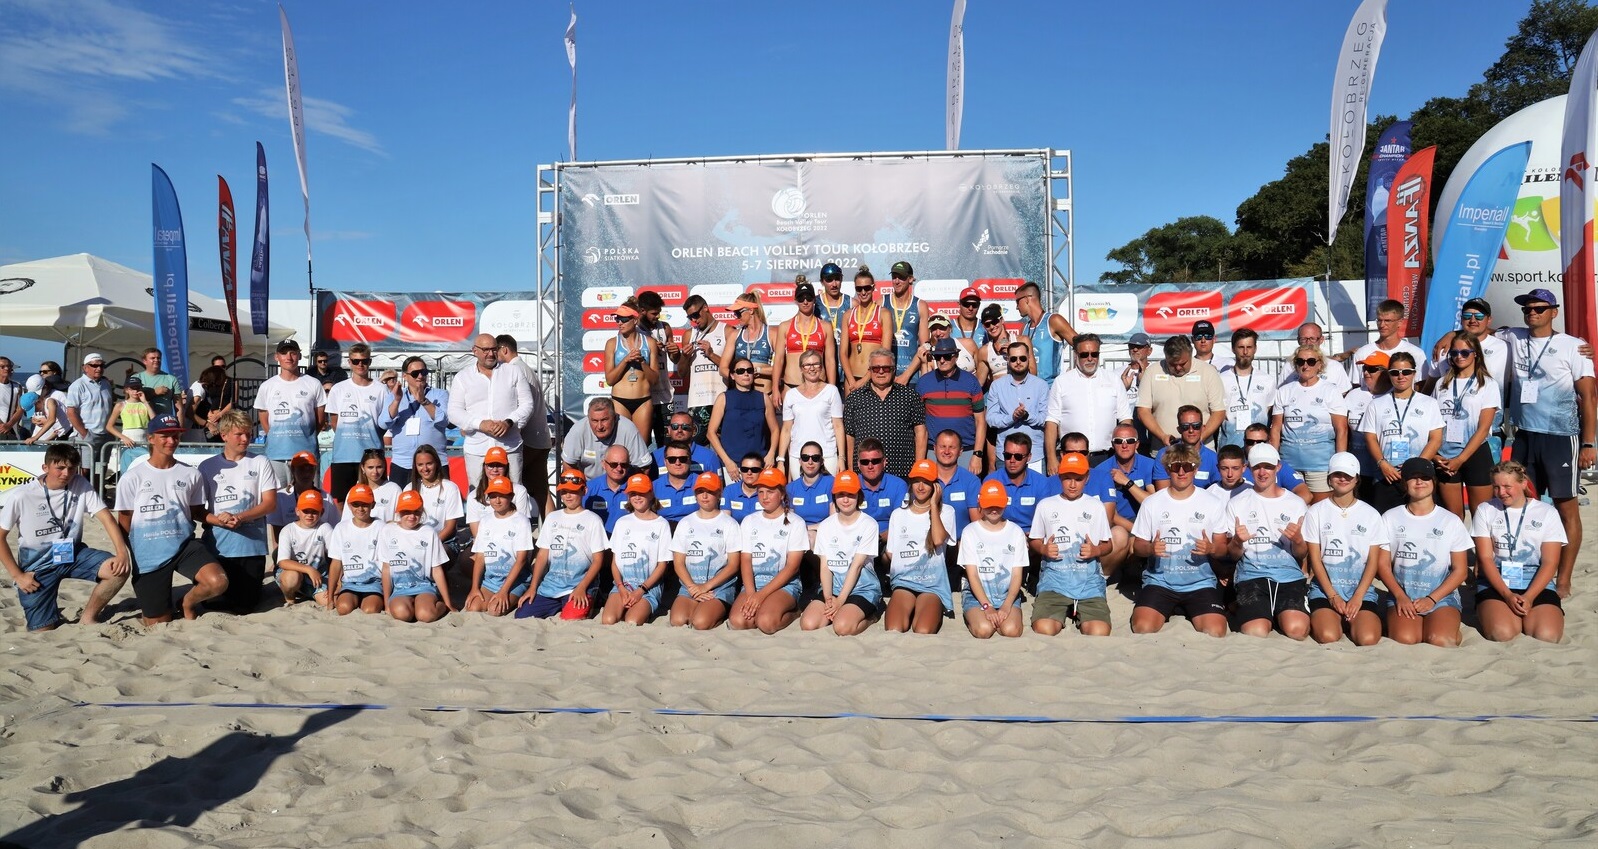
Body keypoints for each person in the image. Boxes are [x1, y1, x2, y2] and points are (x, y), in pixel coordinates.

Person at [1502, 288, 1595, 597]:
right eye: (1528, 308)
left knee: (1565, 506)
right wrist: (1450, 337)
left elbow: (1589, 397)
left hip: (1560, 437)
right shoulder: (1514, 337)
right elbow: (1480, 332)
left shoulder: (1574, 346)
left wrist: (1589, 443)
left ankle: (1564, 578)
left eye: (1540, 308)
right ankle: (1530, 568)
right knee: (1523, 503)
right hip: (1525, 436)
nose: (1533, 313)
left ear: (1554, 311)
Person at [0, 442, 130, 630]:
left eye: (71, 469)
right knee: (43, 629)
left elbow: (107, 518)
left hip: (73, 554)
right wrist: (18, 576)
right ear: (45, 468)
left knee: (119, 569)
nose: (66, 474)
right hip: (38, 567)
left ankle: (88, 618)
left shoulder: (80, 483)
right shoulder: (22, 495)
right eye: (59, 468)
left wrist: (122, 552)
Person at [116, 414, 227, 624]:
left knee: (217, 582)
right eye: (164, 436)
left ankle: (185, 602)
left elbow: (196, 512)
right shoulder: (133, 477)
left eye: (175, 436)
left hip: (183, 545)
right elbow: (124, 519)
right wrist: (129, 552)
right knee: (158, 622)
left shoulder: (190, 474)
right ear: (150, 439)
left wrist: (218, 519)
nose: (171, 441)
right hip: (148, 552)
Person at [1129, 444, 1231, 637]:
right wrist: (1151, 548)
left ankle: (1186, 609)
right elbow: (1138, 546)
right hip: (1160, 582)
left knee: (1216, 631)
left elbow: (1222, 548)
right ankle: (1171, 608)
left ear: (1196, 468)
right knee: (1142, 628)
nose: (1182, 472)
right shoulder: (1152, 502)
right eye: (1176, 467)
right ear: (1168, 470)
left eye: (1188, 466)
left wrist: (1211, 548)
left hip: (1200, 583)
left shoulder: (1212, 502)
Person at [1377, 458, 1471, 647]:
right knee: (1406, 639)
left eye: (1425, 477)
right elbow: (1383, 565)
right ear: (1404, 483)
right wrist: (1400, 596)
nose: (1419, 482)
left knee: (1440, 640)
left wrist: (1431, 599)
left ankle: (1446, 625)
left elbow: (1461, 570)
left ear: (1434, 482)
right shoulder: (1390, 517)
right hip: (1402, 595)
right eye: (1413, 478)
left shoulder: (1450, 520)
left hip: (1441, 596)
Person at [1471, 460, 1566, 643]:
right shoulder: (1486, 510)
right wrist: (1507, 595)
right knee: (1503, 633)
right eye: (1496, 487)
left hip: (1535, 581)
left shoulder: (1547, 512)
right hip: (1497, 581)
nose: (1501, 492)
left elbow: (1550, 562)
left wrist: (1529, 597)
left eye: (1507, 486)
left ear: (1523, 483)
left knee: (1546, 636)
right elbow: (1485, 558)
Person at [1225, 444, 1310, 639]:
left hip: (1288, 576)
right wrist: (1237, 541)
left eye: (1268, 466)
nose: (1263, 472)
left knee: (1296, 631)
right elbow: (1234, 554)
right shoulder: (1237, 503)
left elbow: (1301, 554)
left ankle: (1272, 611)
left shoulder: (1295, 503)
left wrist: (1297, 540)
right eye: (1257, 467)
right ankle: (1249, 608)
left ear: (1278, 467)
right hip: (1252, 576)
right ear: (1248, 468)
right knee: (1256, 632)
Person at [198, 410, 279, 614]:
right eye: (239, 434)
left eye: (248, 434)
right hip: (219, 546)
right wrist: (218, 520)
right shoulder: (207, 467)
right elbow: (197, 510)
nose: (245, 439)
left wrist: (241, 517)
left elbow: (270, 504)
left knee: (246, 606)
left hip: (251, 547)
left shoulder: (260, 462)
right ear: (224, 435)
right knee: (212, 603)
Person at [1304, 453, 1386, 646]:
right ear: (1329, 478)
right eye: (1337, 474)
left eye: (1348, 475)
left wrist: (1357, 597)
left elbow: (1373, 561)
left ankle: (1356, 618)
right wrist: (1333, 596)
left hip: (1360, 590)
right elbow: (1315, 560)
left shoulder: (1371, 514)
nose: (1342, 479)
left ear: (1357, 478)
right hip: (1325, 590)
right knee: (1328, 636)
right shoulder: (1316, 511)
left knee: (1367, 639)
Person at [1029, 452, 1114, 637]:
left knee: (1099, 632)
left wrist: (1096, 550)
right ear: (1060, 477)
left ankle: (1080, 611)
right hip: (1054, 583)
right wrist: (1043, 548)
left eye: (1078, 478)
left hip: (1089, 584)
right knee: (1044, 629)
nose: (1072, 484)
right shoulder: (1046, 505)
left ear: (1087, 478)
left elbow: (1108, 545)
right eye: (1067, 478)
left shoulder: (1095, 506)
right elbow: (1034, 539)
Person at [803, 465, 884, 636]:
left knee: (842, 627)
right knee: (808, 624)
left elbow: (857, 565)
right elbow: (824, 566)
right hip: (833, 587)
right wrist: (828, 598)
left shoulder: (869, 524)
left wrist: (840, 600)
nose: (845, 499)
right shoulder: (826, 525)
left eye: (850, 494)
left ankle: (873, 615)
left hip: (862, 587)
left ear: (858, 496)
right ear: (834, 497)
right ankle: (837, 607)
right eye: (841, 495)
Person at [518, 468, 607, 620]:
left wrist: (582, 587)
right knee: (522, 615)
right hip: (551, 586)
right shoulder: (553, 518)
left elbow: (598, 560)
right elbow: (542, 555)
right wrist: (533, 587)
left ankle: (594, 595)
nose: (568, 495)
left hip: (579, 585)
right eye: (564, 491)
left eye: (573, 491)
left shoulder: (593, 520)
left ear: (584, 490)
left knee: (571, 617)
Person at [1360, 352, 1443, 512]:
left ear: (1414, 373)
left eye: (1406, 372)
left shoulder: (1429, 403)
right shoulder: (1376, 404)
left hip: (1418, 477)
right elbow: (1370, 438)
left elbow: (1435, 439)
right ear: (1389, 374)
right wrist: (1382, 463)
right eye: (1394, 372)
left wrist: (1415, 467)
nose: (1400, 376)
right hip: (1386, 475)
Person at [729, 468, 809, 634]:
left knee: (766, 623)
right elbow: (746, 560)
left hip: (784, 584)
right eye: (761, 492)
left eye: (770, 492)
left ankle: (794, 612)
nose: (764, 497)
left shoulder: (796, 522)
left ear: (781, 494)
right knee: (739, 621)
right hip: (755, 583)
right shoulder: (749, 521)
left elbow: (792, 567)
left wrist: (761, 595)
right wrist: (751, 594)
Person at [1430, 332, 1500, 519]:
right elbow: (1432, 423)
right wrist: (1435, 455)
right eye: (1454, 353)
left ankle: (1482, 550)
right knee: (1452, 517)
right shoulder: (1441, 384)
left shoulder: (1487, 384)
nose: (1459, 356)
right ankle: (1460, 550)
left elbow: (1484, 428)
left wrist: (1461, 459)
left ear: (1475, 353)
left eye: (1464, 352)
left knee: (1482, 517)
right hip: (1445, 456)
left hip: (1475, 453)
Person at [449, 333, 535, 485]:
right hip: (477, 449)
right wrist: (479, 424)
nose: (491, 354)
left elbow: (527, 404)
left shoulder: (513, 371)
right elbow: (454, 412)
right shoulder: (462, 377)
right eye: (486, 350)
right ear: (475, 351)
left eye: (494, 349)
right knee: (478, 495)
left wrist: (509, 422)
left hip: (509, 447)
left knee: (514, 492)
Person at [883, 459, 955, 634]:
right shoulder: (898, 514)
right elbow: (891, 553)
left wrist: (933, 506)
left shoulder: (946, 511)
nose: (921, 487)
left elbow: (938, 540)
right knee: (894, 629)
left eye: (927, 482)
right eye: (916, 481)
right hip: (904, 582)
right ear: (910, 483)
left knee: (923, 630)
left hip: (932, 585)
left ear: (935, 486)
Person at [1270, 343, 1348, 501]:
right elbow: (1276, 429)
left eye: (1311, 361)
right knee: (1292, 510)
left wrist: (1339, 463)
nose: (1306, 366)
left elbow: (1342, 430)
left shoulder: (1330, 391)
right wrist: (1273, 461)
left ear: (1320, 364)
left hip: (1321, 465)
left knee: (1320, 511)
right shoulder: (1284, 391)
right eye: (1300, 361)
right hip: (1289, 463)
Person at [1044, 333, 1129, 472]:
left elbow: (1125, 419)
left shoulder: (1114, 380)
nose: (1090, 358)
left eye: (1094, 354)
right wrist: (1052, 458)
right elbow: (1052, 422)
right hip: (1071, 457)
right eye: (1084, 355)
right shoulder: (1061, 382)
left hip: (1108, 458)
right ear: (1075, 355)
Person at [668, 472, 743, 630]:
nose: (705, 496)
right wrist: (693, 587)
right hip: (691, 586)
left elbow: (733, 565)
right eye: (700, 491)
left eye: (710, 491)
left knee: (700, 623)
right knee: (678, 620)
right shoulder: (685, 522)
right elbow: (679, 563)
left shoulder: (729, 524)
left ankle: (721, 609)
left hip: (719, 587)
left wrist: (706, 587)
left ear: (719, 493)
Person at [1089, 423, 1158, 580]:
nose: (1125, 445)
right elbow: (1110, 515)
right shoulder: (1101, 470)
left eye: (1130, 440)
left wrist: (1127, 482)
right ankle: (1102, 578)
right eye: (1119, 441)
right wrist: (1136, 531)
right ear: (1113, 444)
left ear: (1138, 444)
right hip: (1117, 525)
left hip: (1145, 522)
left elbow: (1154, 503)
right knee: (1124, 539)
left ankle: (1130, 569)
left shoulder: (1149, 465)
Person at [958, 480, 1027, 638]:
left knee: (1012, 631)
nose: (994, 509)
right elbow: (972, 575)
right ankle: (975, 614)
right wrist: (987, 605)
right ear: (980, 503)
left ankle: (1000, 615)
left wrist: (1007, 605)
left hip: (1006, 594)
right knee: (984, 630)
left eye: (998, 504)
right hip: (977, 595)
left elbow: (1017, 574)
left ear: (1005, 503)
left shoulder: (1016, 532)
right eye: (989, 505)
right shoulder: (970, 532)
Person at [842, 348, 926, 478]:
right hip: (865, 474)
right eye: (876, 368)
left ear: (893, 370)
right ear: (869, 371)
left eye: (886, 368)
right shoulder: (854, 399)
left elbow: (921, 433)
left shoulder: (910, 396)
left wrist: (919, 468)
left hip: (902, 471)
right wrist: (851, 470)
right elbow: (850, 437)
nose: (881, 372)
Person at [601, 474, 672, 626]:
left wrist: (641, 590)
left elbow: (662, 565)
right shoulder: (622, 522)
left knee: (632, 621)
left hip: (648, 587)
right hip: (623, 585)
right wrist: (620, 587)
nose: (637, 497)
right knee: (608, 620)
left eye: (642, 493)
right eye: (633, 493)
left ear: (651, 494)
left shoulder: (662, 524)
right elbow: (615, 562)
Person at [254, 339, 326, 486]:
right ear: (276, 357)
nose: (289, 357)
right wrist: (275, 436)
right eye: (284, 353)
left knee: (309, 501)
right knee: (278, 502)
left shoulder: (313, 383)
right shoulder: (267, 386)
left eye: (293, 353)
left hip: (306, 455)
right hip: (276, 455)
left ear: (299, 356)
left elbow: (320, 420)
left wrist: (306, 437)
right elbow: (264, 419)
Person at [1136, 335, 1226, 447]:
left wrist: (1200, 438)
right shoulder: (1152, 372)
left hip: (1201, 450)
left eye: (1182, 364)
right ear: (1166, 357)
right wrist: (1162, 436)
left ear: (1190, 355)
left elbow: (1219, 412)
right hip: (1163, 450)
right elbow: (1143, 411)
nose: (1178, 368)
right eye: (1172, 364)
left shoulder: (1208, 372)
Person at [324, 343, 385, 506]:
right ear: (349, 362)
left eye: (364, 361)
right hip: (344, 454)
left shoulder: (381, 389)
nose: (360, 365)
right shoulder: (338, 389)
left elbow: (385, 422)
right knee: (343, 501)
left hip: (371, 455)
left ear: (370, 362)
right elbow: (335, 421)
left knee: (373, 500)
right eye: (356, 361)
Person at [379, 489, 453, 623]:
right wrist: (386, 603)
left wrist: (448, 603)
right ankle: (413, 604)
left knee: (425, 615)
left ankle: (440, 605)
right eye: (407, 511)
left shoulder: (429, 532)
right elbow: (386, 569)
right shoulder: (387, 531)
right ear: (399, 511)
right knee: (402, 614)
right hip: (400, 588)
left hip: (424, 586)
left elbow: (436, 570)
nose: (412, 516)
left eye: (416, 511)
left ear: (422, 512)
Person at [464, 476, 534, 616]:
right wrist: (474, 587)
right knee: (473, 607)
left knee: (494, 610)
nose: (497, 500)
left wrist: (504, 591)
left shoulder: (521, 521)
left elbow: (521, 560)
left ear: (511, 496)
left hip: (515, 581)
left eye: (502, 496)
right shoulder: (485, 521)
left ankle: (521, 593)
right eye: (493, 496)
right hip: (490, 580)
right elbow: (480, 556)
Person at [917, 337, 986, 474]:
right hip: (933, 451)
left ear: (956, 356)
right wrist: (920, 459)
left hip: (966, 451)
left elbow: (981, 421)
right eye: (938, 357)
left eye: (947, 356)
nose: (942, 360)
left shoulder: (971, 381)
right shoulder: (923, 383)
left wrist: (977, 455)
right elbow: (920, 426)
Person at [379, 356, 451, 487]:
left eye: (423, 372)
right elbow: (383, 423)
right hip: (403, 463)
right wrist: (397, 401)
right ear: (405, 376)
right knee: (402, 505)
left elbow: (445, 421)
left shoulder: (440, 394)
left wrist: (424, 401)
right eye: (414, 373)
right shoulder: (394, 396)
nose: (420, 376)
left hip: (435, 463)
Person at [984, 341, 1050, 474]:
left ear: (1029, 359)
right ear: (1008, 360)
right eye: (1013, 359)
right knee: (1007, 494)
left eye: (1022, 358)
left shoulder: (1041, 385)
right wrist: (1011, 417)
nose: (1018, 362)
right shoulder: (997, 386)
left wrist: (1027, 416)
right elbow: (991, 419)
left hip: (1035, 454)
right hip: (1007, 456)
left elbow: (1046, 418)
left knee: (1037, 494)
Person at [776, 350, 845, 473]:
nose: (811, 368)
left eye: (816, 364)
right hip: (798, 456)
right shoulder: (791, 395)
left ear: (821, 367)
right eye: (807, 365)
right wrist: (781, 460)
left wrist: (841, 458)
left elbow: (838, 426)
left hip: (827, 455)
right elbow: (786, 429)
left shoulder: (831, 391)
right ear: (801, 369)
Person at [770, 278, 838, 400]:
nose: (805, 302)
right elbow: (779, 360)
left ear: (814, 300)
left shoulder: (825, 327)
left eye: (809, 298)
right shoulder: (785, 326)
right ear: (796, 301)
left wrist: (831, 389)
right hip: (791, 387)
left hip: (819, 388)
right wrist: (775, 389)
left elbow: (830, 361)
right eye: (801, 299)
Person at [708, 355, 777, 472]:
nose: (746, 374)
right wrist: (727, 461)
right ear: (732, 375)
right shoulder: (723, 398)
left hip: (759, 464)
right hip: (732, 466)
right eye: (740, 371)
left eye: (749, 371)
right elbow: (711, 433)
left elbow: (775, 429)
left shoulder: (763, 398)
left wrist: (771, 454)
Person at [604, 302, 662, 438]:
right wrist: (625, 360)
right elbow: (610, 380)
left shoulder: (650, 343)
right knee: (621, 445)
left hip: (643, 400)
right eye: (617, 319)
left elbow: (654, 380)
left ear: (635, 320)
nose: (620, 323)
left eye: (624, 319)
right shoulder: (612, 343)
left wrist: (642, 362)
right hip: (620, 400)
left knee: (642, 446)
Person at [674, 294, 728, 440]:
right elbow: (681, 373)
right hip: (697, 402)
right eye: (690, 318)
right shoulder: (689, 335)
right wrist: (685, 357)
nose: (694, 320)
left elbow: (734, 370)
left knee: (724, 447)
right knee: (698, 449)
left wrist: (711, 354)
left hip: (722, 399)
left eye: (696, 315)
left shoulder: (727, 330)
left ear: (705, 308)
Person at [327, 483, 386, 615]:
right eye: (355, 504)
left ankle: (372, 599)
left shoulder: (381, 527)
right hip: (350, 582)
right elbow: (336, 563)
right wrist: (330, 598)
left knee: (370, 610)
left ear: (373, 505)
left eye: (365, 504)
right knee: (343, 608)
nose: (360, 508)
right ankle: (343, 597)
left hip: (374, 582)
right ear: (349, 505)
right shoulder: (341, 528)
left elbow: (386, 563)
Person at [561, 397, 650, 480]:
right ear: (588, 419)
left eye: (604, 420)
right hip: (588, 486)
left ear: (614, 418)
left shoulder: (628, 429)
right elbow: (568, 464)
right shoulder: (577, 430)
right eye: (594, 421)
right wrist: (582, 489)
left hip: (622, 487)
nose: (599, 426)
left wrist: (631, 489)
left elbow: (643, 467)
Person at [1346, 299, 1427, 384]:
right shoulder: (1362, 353)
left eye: (1387, 321)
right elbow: (1356, 386)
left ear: (1400, 322)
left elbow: (1421, 387)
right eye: (1379, 320)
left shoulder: (1416, 353)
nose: (1382, 325)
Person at [274, 489, 333, 607]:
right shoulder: (288, 530)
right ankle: (290, 598)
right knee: (292, 578)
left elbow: (336, 556)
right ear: (297, 511)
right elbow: (282, 562)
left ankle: (307, 591)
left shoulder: (325, 528)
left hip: (319, 573)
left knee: (327, 602)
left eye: (314, 511)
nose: (309, 515)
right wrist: (309, 569)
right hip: (294, 571)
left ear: (322, 512)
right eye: (305, 511)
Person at [1344, 351, 1390, 498]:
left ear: (1386, 372)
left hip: (1385, 470)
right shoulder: (1354, 395)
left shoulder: (1394, 395)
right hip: (1358, 469)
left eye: (1372, 369)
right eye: (1364, 369)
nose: (1366, 373)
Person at [1217, 329, 1272, 448]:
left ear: (1255, 348)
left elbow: (1269, 409)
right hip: (1230, 448)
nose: (1245, 352)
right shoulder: (1221, 379)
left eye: (1249, 347)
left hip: (1258, 447)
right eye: (1241, 347)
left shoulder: (1267, 380)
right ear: (1233, 349)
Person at [635, 290, 677, 446]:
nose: (657, 316)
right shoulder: (634, 331)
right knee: (641, 444)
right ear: (642, 311)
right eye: (654, 313)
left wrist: (675, 352)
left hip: (664, 397)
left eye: (659, 312)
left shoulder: (664, 328)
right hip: (642, 397)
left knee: (667, 444)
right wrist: (651, 349)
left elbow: (674, 358)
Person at [1014, 280, 1077, 383]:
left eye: (1017, 302)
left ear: (1026, 299)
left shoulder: (1053, 320)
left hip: (1050, 389)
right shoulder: (1024, 328)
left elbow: (1081, 345)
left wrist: (1074, 372)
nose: (1017, 307)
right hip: (1031, 391)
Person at [842, 266, 892, 392]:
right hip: (851, 379)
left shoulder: (883, 313)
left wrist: (864, 380)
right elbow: (842, 353)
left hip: (874, 378)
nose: (863, 292)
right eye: (859, 288)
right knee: (851, 412)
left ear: (873, 288)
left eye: (867, 288)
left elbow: (885, 352)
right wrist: (852, 380)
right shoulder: (848, 314)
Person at [406, 445, 463, 553]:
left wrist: (429, 544)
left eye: (429, 463)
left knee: (440, 552)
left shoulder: (450, 488)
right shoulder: (409, 488)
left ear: (436, 463)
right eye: (420, 465)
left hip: (444, 542)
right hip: (415, 542)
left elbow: (450, 527)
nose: (425, 469)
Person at [466, 446, 534, 535]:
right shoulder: (473, 496)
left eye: (499, 465)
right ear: (484, 467)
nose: (495, 470)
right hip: (485, 542)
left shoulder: (519, 491)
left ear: (507, 467)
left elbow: (523, 526)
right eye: (490, 465)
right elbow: (476, 534)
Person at [1152, 405, 1222, 490]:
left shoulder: (1213, 458)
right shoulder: (1164, 454)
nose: (1191, 430)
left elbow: (1217, 492)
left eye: (1196, 426)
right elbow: (1162, 493)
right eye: (1185, 426)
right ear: (1179, 429)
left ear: (1203, 428)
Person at [929, 429, 983, 536]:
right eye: (942, 446)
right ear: (934, 449)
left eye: (952, 447)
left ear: (960, 451)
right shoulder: (925, 480)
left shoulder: (971, 481)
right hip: (930, 544)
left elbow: (977, 523)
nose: (947, 451)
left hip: (961, 544)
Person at [720, 292, 775, 396]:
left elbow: (781, 369)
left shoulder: (771, 333)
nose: (736, 316)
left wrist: (758, 370)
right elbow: (723, 368)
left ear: (751, 310)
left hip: (765, 395)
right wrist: (740, 377)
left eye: (738, 313)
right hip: (741, 395)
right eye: (735, 313)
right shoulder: (734, 335)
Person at [852, 438, 909, 533]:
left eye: (875, 461)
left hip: (890, 538)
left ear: (884, 462)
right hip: (858, 538)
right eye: (865, 462)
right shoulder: (851, 485)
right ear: (858, 464)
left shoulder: (898, 485)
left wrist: (884, 537)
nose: (870, 466)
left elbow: (901, 521)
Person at [63, 352, 114, 458]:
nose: (99, 368)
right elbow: (71, 412)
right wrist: (85, 434)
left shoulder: (106, 383)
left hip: (106, 433)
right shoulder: (77, 385)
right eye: (94, 365)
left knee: (102, 468)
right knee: (85, 469)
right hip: (88, 433)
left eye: (101, 365)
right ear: (85, 368)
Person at [813, 262, 852, 385]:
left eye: (837, 279)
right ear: (822, 282)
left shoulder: (852, 303)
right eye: (829, 280)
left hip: (848, 370)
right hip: (822, 370)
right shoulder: (814, 304)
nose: (834, 284)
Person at [652, 409, 721, 477]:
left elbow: (719, 485)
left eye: (685, 427)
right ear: (669, 430)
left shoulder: (709, 456)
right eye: (675, 426)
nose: (679, 430)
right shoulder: (655, 457)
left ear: (694, 430)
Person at [583, 445, 634, 534]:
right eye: (613, 464)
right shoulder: (589, 489)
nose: (619, 469)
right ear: (603, 464)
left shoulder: (636, 489)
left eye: (624, 465)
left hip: (627, 542)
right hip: (597, 543)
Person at [975, 304, 1028, 387]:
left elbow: (1033, 373)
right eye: (987, 324)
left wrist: (1014, 355)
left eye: (994, 322)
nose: (992, 327)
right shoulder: (984, 351)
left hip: (1020, 393)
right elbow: (978, 384)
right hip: (998, 397)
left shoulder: (1022, 341)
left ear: (1002, 320)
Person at [651, 440, 700, 524]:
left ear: (690, 460)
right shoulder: (653, 487)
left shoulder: (702, 483)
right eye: (672, 459)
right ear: (665, 462)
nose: (677, 463)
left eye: (683, 459)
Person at [1292, 323, 1351, 391]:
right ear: (1298, 340)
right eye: (1303, 339)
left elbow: (1344, 394)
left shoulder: (1335, 367)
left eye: (1312, 339)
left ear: (1321, 339)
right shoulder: (1288, 367)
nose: (1308, 343)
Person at [136, 347, 186, 425]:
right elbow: (130, 401)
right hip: (142, 424)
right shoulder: (136, 378)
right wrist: (154, 392)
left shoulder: (171, 379)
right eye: (152, 358)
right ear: (144, 361)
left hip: (165, 424)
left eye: (158, 358)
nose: (156, 360)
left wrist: (180, 429)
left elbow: (179, 407)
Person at [189, 365, 236, 442]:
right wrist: (208, 424)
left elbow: (233, 402)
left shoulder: (199, 386)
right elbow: (190, 412)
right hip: (193, 428)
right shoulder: (200, 389)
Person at [355, 448, 403, 522]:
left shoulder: (394, 490)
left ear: (384, 467)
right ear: (362, 468)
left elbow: (400, 521)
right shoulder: (355, 490)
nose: (375, 472)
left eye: (379, 467)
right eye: (370, 467)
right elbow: (347, 522)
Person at [106, 376, 152, 451]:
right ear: (127, 390)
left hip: (145, 438)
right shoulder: (120, 405)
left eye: (138, 387)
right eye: (132, 388)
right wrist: (123, 438)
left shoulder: (146, 404)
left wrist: (145, 402)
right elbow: (109, 426)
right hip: (128, 438)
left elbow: (154, 420)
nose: (135, 391)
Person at [23, 369, 67, 445]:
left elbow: (58, 420)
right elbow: (58, 429)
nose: (38, 395)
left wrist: (35, 438)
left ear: (45, 386)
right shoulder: (35, 399)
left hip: (60, 437)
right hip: (45, 438)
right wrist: (34, 419)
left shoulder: (55, 398)